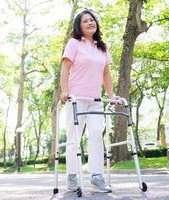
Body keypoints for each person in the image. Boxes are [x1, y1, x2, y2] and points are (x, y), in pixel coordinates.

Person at [60, 9, 115, 193]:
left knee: (96, 135)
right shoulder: (74, 43)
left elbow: (106, 73)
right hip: (75, 99)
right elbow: (65, 68)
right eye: (86, 21)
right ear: (79, 25)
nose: (90, 23)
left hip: (95, 100)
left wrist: (112, 95)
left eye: (92, 20)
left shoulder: (102, 47)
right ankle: (72, 176)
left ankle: (96, 176)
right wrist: (64, 90)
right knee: (73, 138)